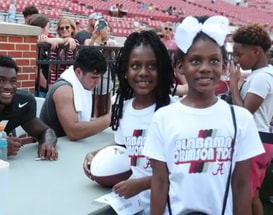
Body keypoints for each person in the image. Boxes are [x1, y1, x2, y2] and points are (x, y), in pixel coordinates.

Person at [142, 16, 265, 215]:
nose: (205, 67)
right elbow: (160, 180)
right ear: (181, 67)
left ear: (224, 66)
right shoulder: (164, 117)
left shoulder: (240, 119)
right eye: (196, 60)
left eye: (214, 60)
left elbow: (242, 185)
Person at [83, 31, 176, 215]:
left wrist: (141, 184)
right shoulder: (124, 109)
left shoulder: (173, 112)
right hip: (138, 205)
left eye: (152, 66)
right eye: (135, 66)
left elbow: (183, 170)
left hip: (170, 206)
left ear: (162, 69)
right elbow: (124, 143)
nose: (143, 72)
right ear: (125, 71)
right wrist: (95, 154)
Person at [229, 23, 273, 215]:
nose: (236, 60)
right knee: (252, 194)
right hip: (260, 140)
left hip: (256, 140)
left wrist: (233, 84)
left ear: (256, 51)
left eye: (239, 54)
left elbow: (244, 115)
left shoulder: (262, 78)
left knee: (245, 195)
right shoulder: (262, 75)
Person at [40, 47, 110, 141]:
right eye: (94, 77)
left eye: (100, 77)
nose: (98, 82)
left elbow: (83, 122)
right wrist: (109, 119)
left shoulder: (79, 83)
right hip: (54, 147)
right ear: (78, 72)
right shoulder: (64, 91)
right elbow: (73, 132)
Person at [28, 14, 76, 98]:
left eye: (67, 27)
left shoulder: (45, 39)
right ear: (41, 29)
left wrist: (69, 39)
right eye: (47, 28)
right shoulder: (35, 43)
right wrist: (49, 87)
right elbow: (36, 72)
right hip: (41, 90)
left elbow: (58, 39)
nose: (49, 31)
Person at [85, 20, 118, 117]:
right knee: (90, 102)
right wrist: (95, 38)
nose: (101, 28)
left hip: (105, 76)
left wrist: (106, 42)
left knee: (103, 104)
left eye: (104, 26)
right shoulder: (89, 40)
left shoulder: (111, 42)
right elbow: (86, 50)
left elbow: (113, 56)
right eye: (99, 26)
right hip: (91, 75)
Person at [49, 16, 79, 85]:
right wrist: (62, 50)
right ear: (58, 31)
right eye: (61, 28)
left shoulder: (75, 42)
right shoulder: (55, 42)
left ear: (72, 29)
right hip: (57, 81)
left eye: (67, 27)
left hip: (71, 80)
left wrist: (69, 40)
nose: (64, 30)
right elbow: (53, 68)